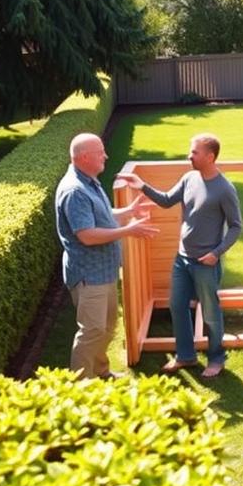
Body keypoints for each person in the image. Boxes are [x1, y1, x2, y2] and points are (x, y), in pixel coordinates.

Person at [117, 133, 242, 378]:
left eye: (194, 152)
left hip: (206, 263)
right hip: (182, 259)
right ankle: (186, 356)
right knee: (177, 305)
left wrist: (216, 254)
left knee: (210, 313)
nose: (189, 156)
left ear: (210, 156)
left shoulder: (224, 189)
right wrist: (140, 185)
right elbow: (165, 201)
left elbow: (237, 226)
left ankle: (217, 359)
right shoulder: (189, 178)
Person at [55, 132, 158, 379]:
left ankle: (101, 372)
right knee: (92, 331)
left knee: (107, 328)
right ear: (84, 157)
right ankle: (81, 386)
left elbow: (101, 214)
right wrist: (129, 229)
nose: (106, 155)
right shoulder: (75, 190)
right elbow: (87, 234)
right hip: (89, 275)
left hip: (104, 272)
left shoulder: (89, 181)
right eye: (101, 152)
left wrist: (127, 211)